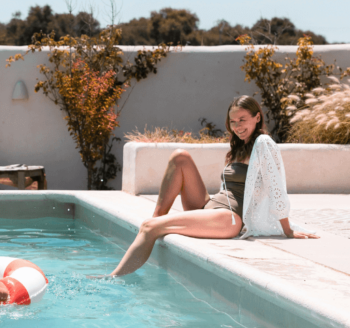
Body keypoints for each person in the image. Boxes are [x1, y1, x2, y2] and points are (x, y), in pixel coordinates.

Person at [110, 96, 318, 276]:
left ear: (257, 117)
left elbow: (276, 187)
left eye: (243, 120)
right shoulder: (237, 146)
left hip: (228, 217)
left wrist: (287, 229)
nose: (237, 126)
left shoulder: (262, 143)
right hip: (210, 206)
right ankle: (158, 221)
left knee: (148, 226)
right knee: (180, 156)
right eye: (233, 121)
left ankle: (112, 280)